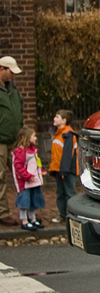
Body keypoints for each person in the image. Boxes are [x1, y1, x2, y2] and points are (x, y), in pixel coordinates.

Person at [0, 56, 23, 226]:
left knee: (20, 176)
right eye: (10, 72)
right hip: (0, 141)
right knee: (0, 177)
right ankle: (2, 213)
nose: (13, 76)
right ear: (2, 69)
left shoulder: (14, 91)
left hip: (14, 141)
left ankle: (25, 211)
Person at [11, 126, 44, 230]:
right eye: (33, 136)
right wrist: (27, 176)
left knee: (32, 201)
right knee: (24, 202)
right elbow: (18, 167)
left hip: (33, 180)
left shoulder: (32, 150)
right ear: (26, 137)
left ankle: (32, 219)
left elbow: (36, 163)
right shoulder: (20, 152)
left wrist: (40, 172)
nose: (35, 138)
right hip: (25, 182)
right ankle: (24, 221)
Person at [49, 109, 78, 224]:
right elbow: (56, 155)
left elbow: (67, 154)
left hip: (67, 170)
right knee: (60, 193)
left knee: (69, 193)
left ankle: (71, 215)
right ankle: (62, 215)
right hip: (60, 170)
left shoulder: (68, 135)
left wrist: (64, 171)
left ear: (64, 120)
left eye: (57, 117)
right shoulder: (58, 134)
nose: (54, 119)